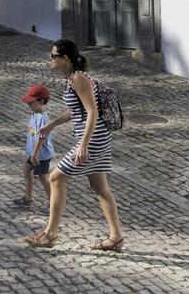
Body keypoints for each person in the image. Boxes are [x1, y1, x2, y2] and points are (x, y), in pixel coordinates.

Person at [22, 40, 124, 251]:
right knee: (100, 188)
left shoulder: (78, 78)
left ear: (65, 58)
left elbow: (92, 112)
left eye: (53, 56)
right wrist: (52, 124)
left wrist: (83, 145)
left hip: (93, 140)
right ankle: (116, 238)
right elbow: (75, 110)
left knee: (55, 177)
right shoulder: (73, 79)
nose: (50, 60)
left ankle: (50, 234)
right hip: (97, 138)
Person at [19, 83, 54, 205]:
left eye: (31, 102)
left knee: (43, 178)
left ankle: (52, 202)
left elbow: (41, 138)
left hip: (41, 155)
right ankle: (27, 198)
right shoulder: (34, 113)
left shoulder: (42, 119)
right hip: (34, 153)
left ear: (41, 101)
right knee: (27, 172)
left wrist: (34, 155)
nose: (29, 105)